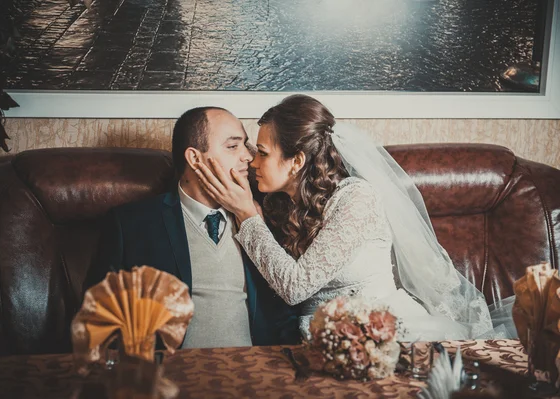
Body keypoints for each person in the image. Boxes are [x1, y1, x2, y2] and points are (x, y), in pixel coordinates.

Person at [195, 94, 514, 341]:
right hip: (320, 342)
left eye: (262, 152)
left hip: (388, 335)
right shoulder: (279, 200)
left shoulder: (356, 199)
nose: (252, 161)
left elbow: (295, 286)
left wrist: (247, 215)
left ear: (296, 162)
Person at [84, 106, 299, 348]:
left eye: (245, 145)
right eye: (232, 146)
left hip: (253, 373)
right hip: (172, 377)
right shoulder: (131, 224)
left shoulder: (267, 217)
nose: (248, 157)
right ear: (195, 158)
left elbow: (286, 313)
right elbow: (99, 320)